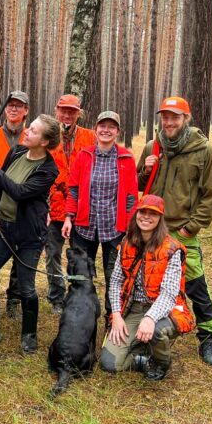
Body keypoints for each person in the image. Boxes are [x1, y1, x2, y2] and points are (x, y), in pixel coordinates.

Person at [137, 96, 212, 367]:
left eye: (175, 117)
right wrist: (145, 168)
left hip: (182, 231)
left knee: (195, 283)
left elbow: (209, 196)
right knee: (149, 282)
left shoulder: (204, 150)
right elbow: (139, 185)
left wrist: (189, 229)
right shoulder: (153, 145)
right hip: (151, 228)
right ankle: (150, 331)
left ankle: (208, 337)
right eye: (165, 116)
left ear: (186, 118)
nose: (169, 122)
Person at [0, 115, 59, 353]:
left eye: (33, 131)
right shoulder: (15, 152)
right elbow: (0, 186)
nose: (27, 132)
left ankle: (29, 335)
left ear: (44, 142)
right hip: (4, 229)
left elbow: (18, 191)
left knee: (27, 288)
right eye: (30, 128)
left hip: (29, 236)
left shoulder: (48, 169)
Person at [100, 194, 195, 380]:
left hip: (166, 310)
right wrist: (117, 315)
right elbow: (116, 281)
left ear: (160, 218)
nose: (146, 217)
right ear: (136, 214)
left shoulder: (172, 249)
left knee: (157, 330)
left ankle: (160, 361)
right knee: (109, 363)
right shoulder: (127, 243)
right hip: (134, 308)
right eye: (142, 211)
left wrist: (150, 318)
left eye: (153, 213)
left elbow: (169, 294)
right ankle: (141, 356)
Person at [62, 111, 138, 320]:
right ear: (95, 130)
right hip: (84, 227)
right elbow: (74, 189)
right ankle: (80, 314)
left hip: (114, 229)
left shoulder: (125, 158)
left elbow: (131, 197)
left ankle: (112, 319)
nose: (106, 130)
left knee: (115, 275)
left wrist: (131, 229)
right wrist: (69, 217)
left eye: (111, 127)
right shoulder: (84, 155)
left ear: (117, 131)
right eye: (102, 126)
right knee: (80, 274)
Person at [45, 95, 97, 314]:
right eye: (63, 110)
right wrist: (43, 206)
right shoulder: (47, 135)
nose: (67, 114)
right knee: (52, 254)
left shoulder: (90, 136)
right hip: (52, 207)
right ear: (57, 110)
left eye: (72, 111)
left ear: (79, 113)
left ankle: (77, 293)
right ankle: (56, 296)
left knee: (79, 255)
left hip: (81, 208)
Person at [0, 90, 30, 319]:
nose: (13, 109)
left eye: (18, 106)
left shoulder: (31, 136)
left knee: (20, 253)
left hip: (22, 202)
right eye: (10, 105)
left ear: (26, 112)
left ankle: (14, 299)